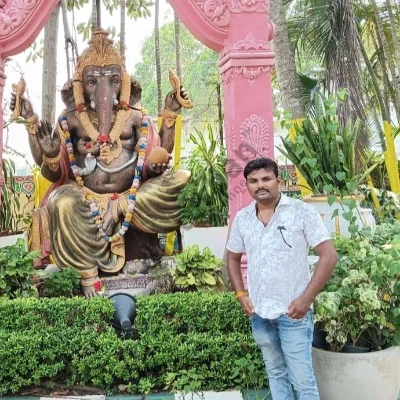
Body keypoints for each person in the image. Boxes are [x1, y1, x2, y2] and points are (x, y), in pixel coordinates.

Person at [226, 157, 338, 400]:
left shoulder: (301, 212)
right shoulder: (243, 218)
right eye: (253, 181)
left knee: (302, 381)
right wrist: (241, 294)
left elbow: (329, 256)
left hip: (293, 313)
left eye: (266, 178)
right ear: (247, 185)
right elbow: (232, 257)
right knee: (276, 373)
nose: (260, 185)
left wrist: (306, 299)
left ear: (278, 180)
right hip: (260, 312)